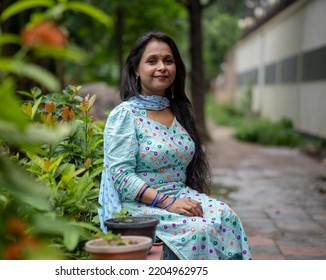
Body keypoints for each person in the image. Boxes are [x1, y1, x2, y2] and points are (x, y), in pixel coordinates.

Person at [98, 31, 252, 260]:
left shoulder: (178, 110)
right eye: (152, 61)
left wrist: (177, 201)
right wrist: (168, 203)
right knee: (199, 231)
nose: (162, 67)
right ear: (136, 70)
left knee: (227, 216)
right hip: (142, 205)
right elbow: (122, 176)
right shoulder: (125, 115)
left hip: (180, 195)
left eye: (168, 61)